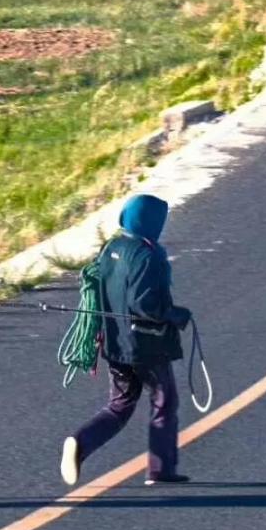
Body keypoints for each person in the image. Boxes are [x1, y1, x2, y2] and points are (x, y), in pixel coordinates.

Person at [60, 194, 192, 487]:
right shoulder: (148, 254)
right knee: (163, 401)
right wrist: (175, 315)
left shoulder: (111, 248)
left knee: (119, 405)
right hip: (147, 346)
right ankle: (161, 470)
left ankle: (80, 442)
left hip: (114, 344)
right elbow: (145, 305)